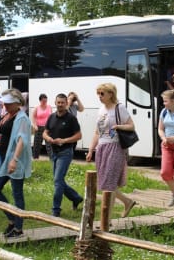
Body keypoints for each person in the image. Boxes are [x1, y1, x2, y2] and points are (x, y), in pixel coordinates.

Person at [85, 83, 136, 221]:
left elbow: (132, 126)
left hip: (115, 147)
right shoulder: (101, 110)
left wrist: (119, 126)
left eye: (102, 94)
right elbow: (97, 132)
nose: (99, 97)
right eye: (98, 94)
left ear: (111, 94)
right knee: (105, 183)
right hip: (102, 148)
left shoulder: (119, 108)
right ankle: (127, 202)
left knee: (109, 183)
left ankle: (106, 220)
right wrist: (91, 150)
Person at [0, 88, 32, 238]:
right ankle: (13, 220)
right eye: (4, 103)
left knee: (17, 193)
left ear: (17, 103)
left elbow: (22, 140)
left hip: (14, 160)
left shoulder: (22, 118)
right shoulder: (7, 114)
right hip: (2, 157)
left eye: (8, 104)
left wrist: (14, 160)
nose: (5, 106)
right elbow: (0, 132)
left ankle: (18, 228)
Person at [42, 93, 83, 217]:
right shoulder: (51, 117)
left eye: (62, 103)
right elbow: (45, 132)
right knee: (59, 181)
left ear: (66, 104)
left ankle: (56, 210)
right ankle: (76, 198)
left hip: (65, 152)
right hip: (54, 152)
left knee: (58, 180)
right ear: (55, 103)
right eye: (58, 102)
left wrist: (64, 140)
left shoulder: (71, 118)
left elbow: (79, 135)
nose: (60, 105)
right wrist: (48, 138)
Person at [31, 93, 52, 159]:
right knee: (37, 144)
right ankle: (35, 158)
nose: (45, 102)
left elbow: (51, 116)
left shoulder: (49, 107)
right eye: (43, 101)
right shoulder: (37, 108)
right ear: (40, 101)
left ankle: (51, 159)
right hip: (39, 127)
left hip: (47, 128)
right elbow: (33, 117)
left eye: (46, 101)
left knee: (49, 144)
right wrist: (34, 125)